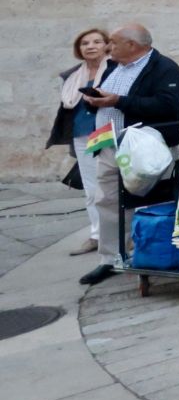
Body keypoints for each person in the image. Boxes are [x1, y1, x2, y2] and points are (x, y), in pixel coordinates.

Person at [78, 24, 179, 285]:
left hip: (146, 150)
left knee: (153, 200)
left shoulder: (166, 69)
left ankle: (154, 252)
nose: (108, 47)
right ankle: (110, 258)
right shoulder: (116, 67)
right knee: (107, 200)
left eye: (113, 43)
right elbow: (112, 99)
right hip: (109, 145)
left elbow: (167, 105)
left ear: (132, 45)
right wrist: (95, 102)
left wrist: (118, 101)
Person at [48, 28, 110, 255]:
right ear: (79, 49)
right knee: (92, 188)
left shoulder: (116, 70)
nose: (90, 46)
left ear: (107, 45)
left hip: (109, 133)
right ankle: (96, 235)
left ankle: (124, 235)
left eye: (96, 41)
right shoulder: (72, 75)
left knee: (116, 185)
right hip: (82, 134)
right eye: (85, 43)